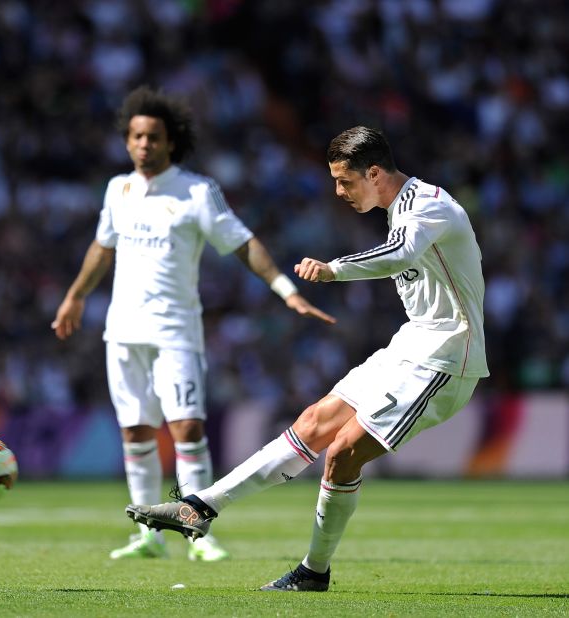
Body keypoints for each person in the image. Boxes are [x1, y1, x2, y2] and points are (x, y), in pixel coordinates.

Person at [126, 125, 488, 588]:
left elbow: (399, 255)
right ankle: (199, 506)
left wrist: (334, 269)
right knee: (314, 422)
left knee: (341, 454)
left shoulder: (430, 206)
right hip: (411, 343)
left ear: (374, 172)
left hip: (446, 356)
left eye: (345, 181)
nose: (338, 192)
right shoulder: (402, 208)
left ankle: (313, 571)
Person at [52, 86, 335, 561]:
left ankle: (198, 530)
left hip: (175, 332)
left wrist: (287, 291)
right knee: (136, 433)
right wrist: (75, 296)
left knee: (186, 429)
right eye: (137, 136)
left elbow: (243, 243)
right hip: (122, 331)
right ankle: (149, 535)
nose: (144, 144)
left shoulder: (196, 192)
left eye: (153, 137)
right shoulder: (117, 190)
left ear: (170, 142)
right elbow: (102, 248)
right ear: (127, 142)